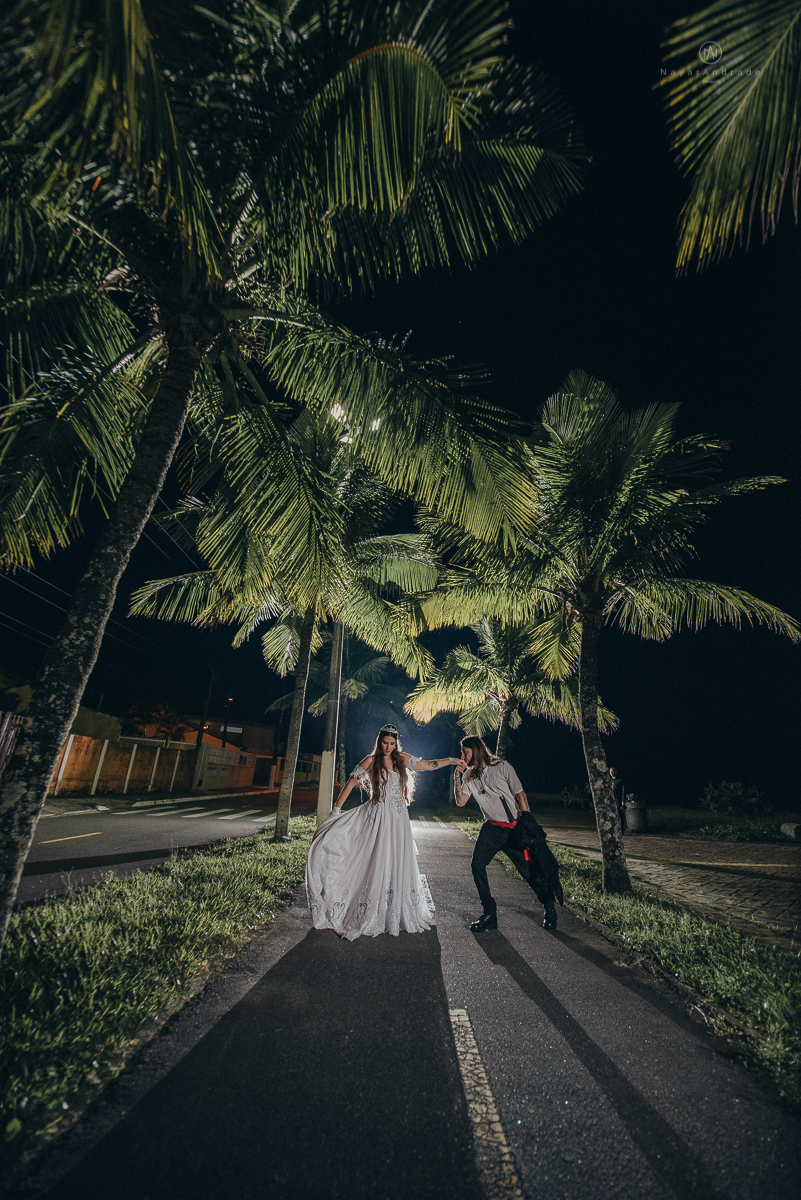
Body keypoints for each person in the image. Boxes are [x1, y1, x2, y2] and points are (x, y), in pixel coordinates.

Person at [305, 724, 464, 940]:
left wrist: (453, 760)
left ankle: (394, 912)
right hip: (378, 815)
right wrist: (336, 810)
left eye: (391, 743)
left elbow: (428, 765)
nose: (388, 747)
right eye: (385, 743)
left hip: (398, 818)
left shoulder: (402, 759)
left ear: (396, 743)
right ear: (379, 742)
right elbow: (351, 783)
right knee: (377, 857)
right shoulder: (371, 760)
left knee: (397, 858)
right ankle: (369, 909)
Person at [454, 736, 563, 932]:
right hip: (491, 829)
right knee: (477, 865)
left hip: (513, 829)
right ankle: (489, 913)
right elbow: (461, 801)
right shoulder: (468, 776)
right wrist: (457, 777)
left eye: (465, 752)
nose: (462, 756)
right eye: (462, 752)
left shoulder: (502, 767)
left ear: (476, 751)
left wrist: (527, 822)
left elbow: (520, 794)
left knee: (529, 872)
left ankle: (549, 907)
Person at [609, 766, 626, 834]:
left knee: (619, 814)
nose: (611, 773)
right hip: (612, 799)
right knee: (613, 814)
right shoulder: (611, 780)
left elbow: (623, 791)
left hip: (618, 799)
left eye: (612, 771)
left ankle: (621, 829)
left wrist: (623, 800)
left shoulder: (620, 780)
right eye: (610, 772)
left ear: (615, 772)